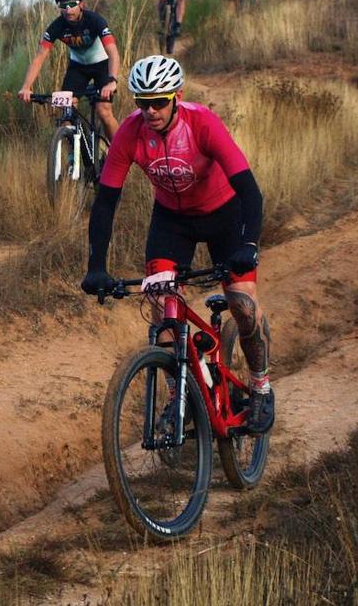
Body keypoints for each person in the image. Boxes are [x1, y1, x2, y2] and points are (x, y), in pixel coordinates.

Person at [79, 55, 274, 434]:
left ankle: (261, 387)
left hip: (225, 216)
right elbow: (106, 202)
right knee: (162, 305)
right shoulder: (131, 134)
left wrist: (248, 243)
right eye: (141, 102)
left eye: (159, 101)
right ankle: (177, 398)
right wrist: (96, 266)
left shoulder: (202, 123)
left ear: (177, 96)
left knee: (243, 304)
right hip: (172, 221)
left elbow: (250, 191)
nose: (150, 111)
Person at [17, 0, 121, 140]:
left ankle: (118, 153)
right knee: (67, 114)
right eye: (63, 5)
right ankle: (75, 155)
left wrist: (112, 80)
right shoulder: (57, 26)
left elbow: (113, 53)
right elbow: (39, 58)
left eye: (72, 4)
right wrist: (26, 87)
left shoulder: (94, 20)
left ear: (81, 4)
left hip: (102, 65)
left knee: (103, 111)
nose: (68, 9)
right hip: (78, 68)